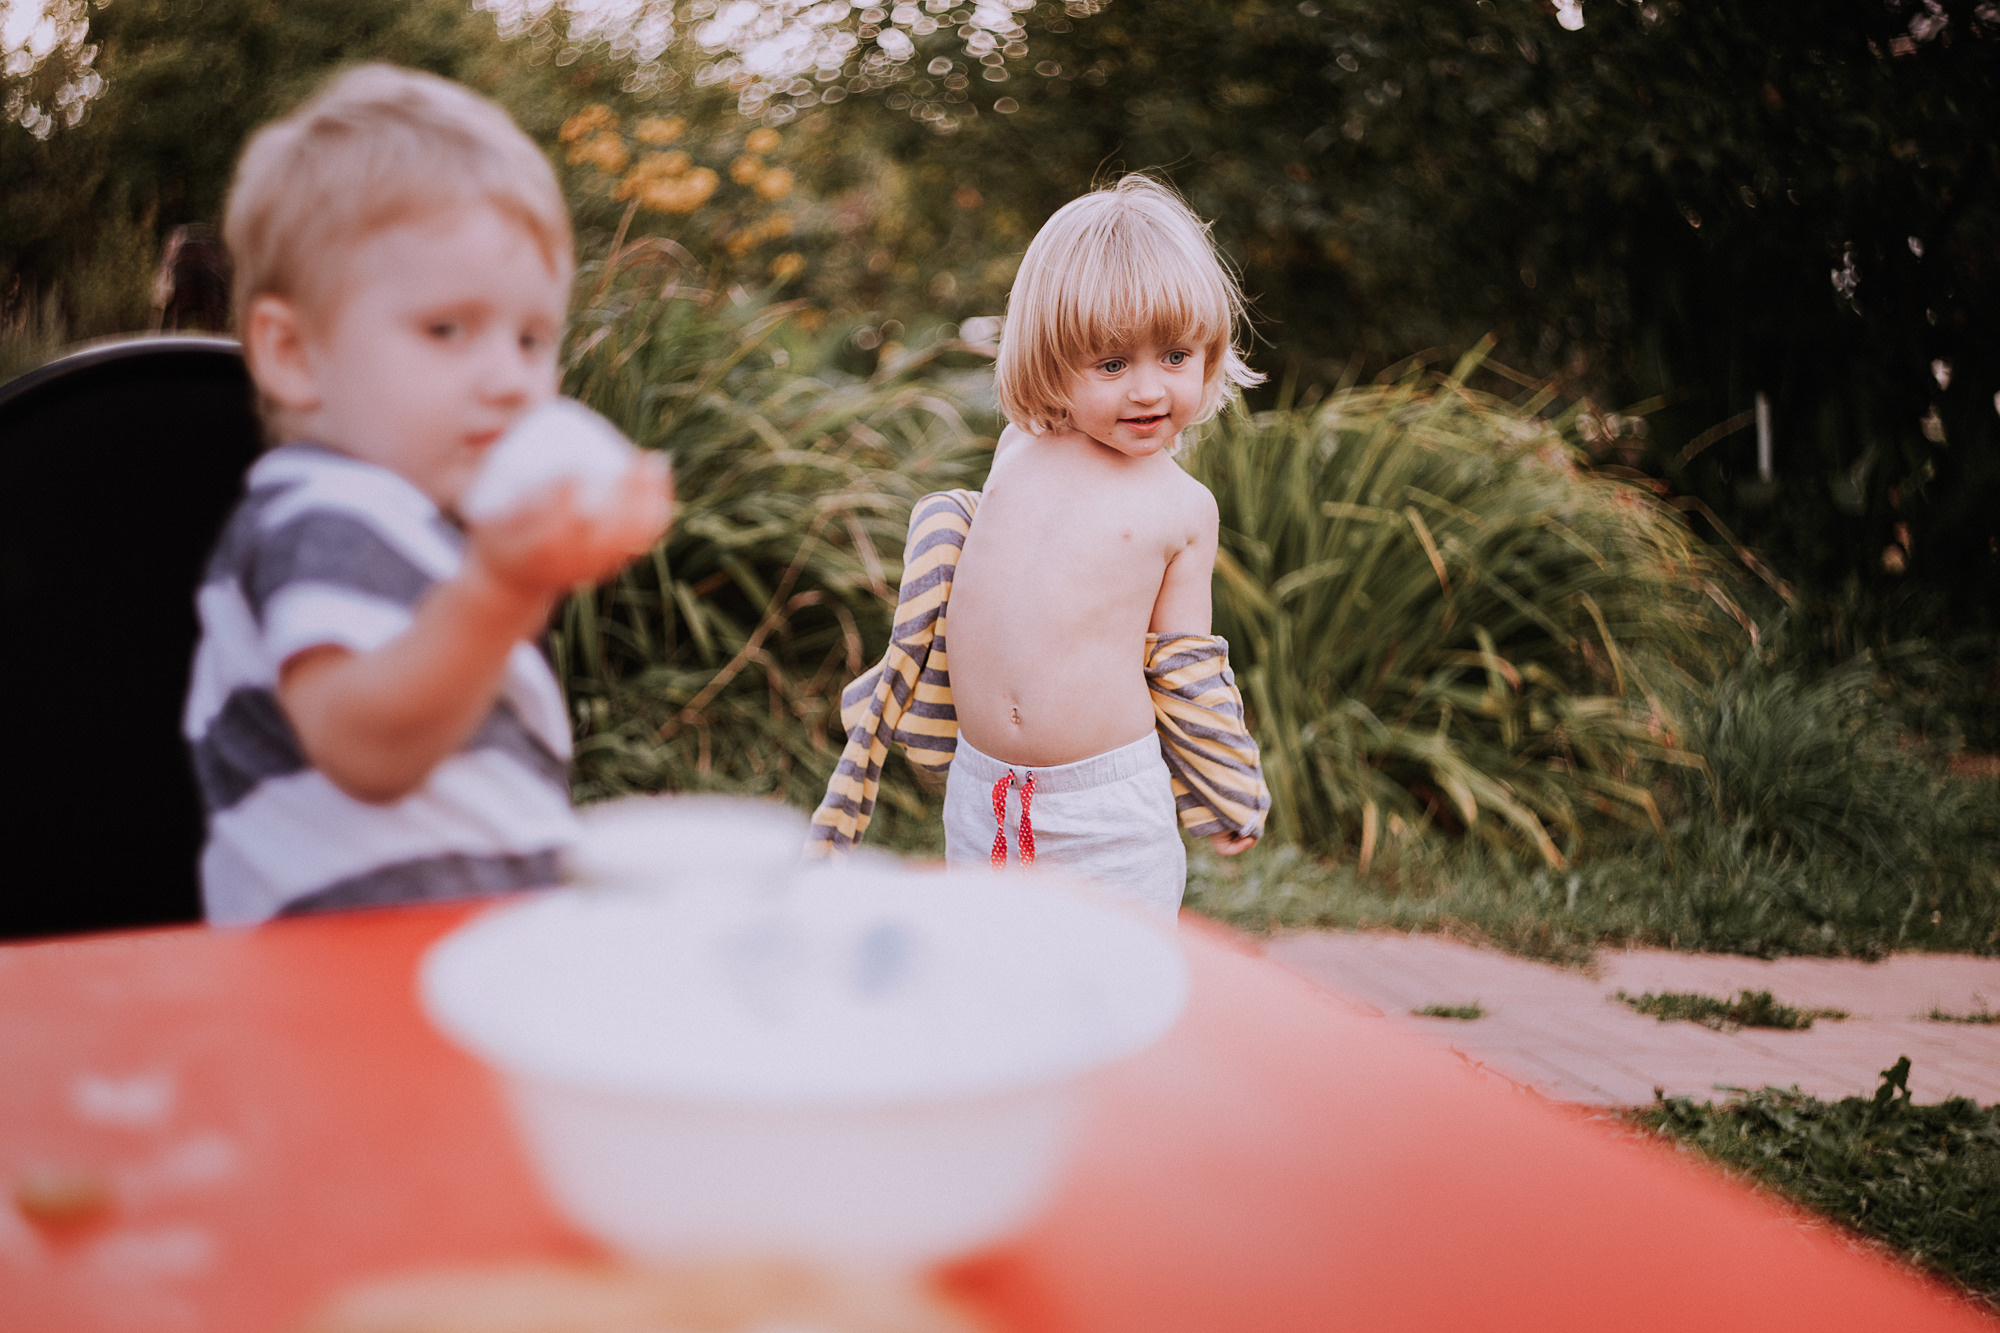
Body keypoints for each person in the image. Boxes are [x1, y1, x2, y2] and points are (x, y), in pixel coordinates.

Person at [186, 65, 672, 925]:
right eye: (448, 329)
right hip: (350, 979)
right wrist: (502, 590)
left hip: (445, 959)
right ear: (293, 353)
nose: (510, 379)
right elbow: (364, 745)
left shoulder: (413, 533)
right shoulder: (317, 513)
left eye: (531, 338)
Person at [810, 175, 1269, 917]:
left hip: (1107, 814)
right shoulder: (1021, 446)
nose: (1149, 389)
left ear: (1211, 352)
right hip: (983, 792)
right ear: (1053, 360)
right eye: (1113, 364)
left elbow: (1188, 666)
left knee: (1111, 1001)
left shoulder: (1183, 506)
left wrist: (1224, 785)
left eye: (1177, 356)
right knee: (991, 986)